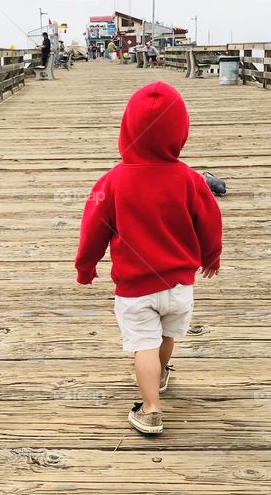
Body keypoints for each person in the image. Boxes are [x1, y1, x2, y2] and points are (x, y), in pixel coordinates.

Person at [74, 82, 222, 435]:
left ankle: (151, 409)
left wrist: (86, 267)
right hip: (179, 286)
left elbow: (93, 228)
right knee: (166, 335)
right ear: (181, 131)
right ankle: (162, 373)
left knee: (144, 345)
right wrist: (211, 256)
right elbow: (210, 221)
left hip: (136, 289)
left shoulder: (112, 182)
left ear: (127, 129)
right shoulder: (191, 180)